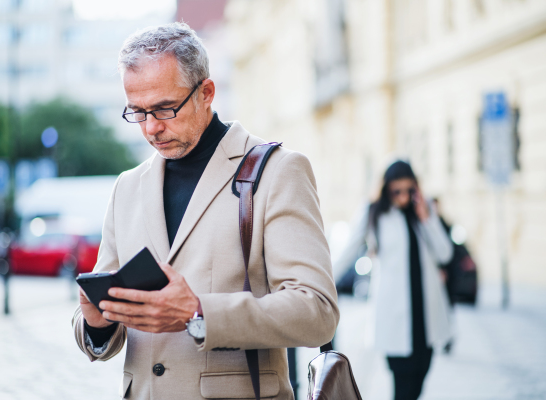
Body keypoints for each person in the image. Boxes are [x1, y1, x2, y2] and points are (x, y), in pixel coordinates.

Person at [71, 23, 339, 400]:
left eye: (164, 109)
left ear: (207, 92)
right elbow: (109, 332)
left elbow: (318, 312)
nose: (151, 127)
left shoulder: (278, 170)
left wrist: (198, 311)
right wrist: (97, 323)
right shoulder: (127, 187)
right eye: (137, 112)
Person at [337, 160, 453, 400]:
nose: (402, 197)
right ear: (386, 190)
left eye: (408, 191)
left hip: (424, 316)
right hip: (395, 317)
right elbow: (349, 249)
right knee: (402, 385)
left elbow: (445, 253)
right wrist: (322, 280)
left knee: (420, 380)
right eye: (396, 191)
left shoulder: (424, 210)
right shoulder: (373, 212)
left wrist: (426, 218)